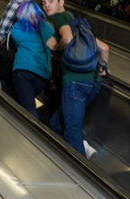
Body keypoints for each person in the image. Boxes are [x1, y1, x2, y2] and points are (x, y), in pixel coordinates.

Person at [42, 0, 109, 156]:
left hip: (75, 83)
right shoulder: (76, 21)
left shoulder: (60, 18)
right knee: (56, 123)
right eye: (43, 2)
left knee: (72, 132)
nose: (46, 5)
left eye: (51, 1)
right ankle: (81, 147)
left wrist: (55, 46)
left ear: (61, 2)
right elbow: (105, 48)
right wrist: (103, 68)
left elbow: (67, 40)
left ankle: (81, 174)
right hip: (94, 82)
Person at [9, 0, 55, 119]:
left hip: (22, 71)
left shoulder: (16, 29)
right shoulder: (47, 27)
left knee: (28, 108)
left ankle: (30, 134)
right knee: (25, 102)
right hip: (42, 74)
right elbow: (52, 41)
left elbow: (17, 42)